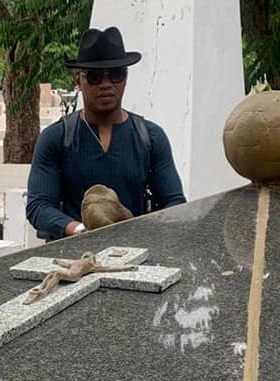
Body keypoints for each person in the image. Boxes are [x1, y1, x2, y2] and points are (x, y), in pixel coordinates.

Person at [26, 26, 186, 240]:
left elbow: (174, 201)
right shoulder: (56, 139)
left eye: (116, 75)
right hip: (75, 255)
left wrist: (145, 231)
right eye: (94, 77)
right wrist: (81, 229)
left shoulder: (151, 137)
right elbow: (38, 206)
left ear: (126, 78)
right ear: (78, 81)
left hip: (136, 253)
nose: (106, 84)